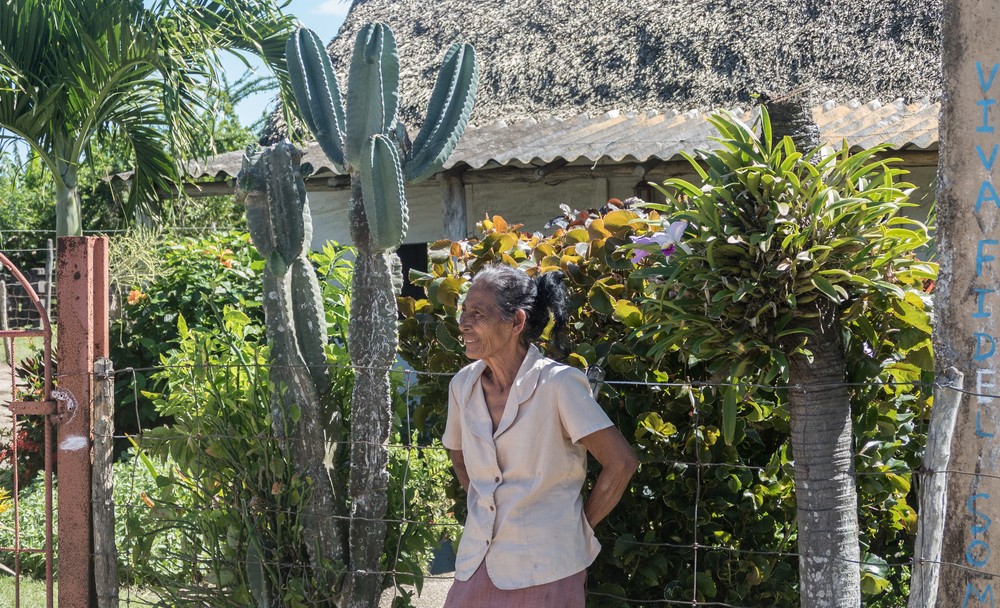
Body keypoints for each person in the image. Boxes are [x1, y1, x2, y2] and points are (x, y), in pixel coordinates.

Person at [442, 265, 639, 607]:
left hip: (548, 568)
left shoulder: (558, 384)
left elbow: (621, 463)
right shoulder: (463, 385)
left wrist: (574, 526)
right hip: (477, 559)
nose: (464, 323)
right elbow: (458, 454)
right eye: (464, 311)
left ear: (516, 322)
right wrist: (488, 508)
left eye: (478, 313)